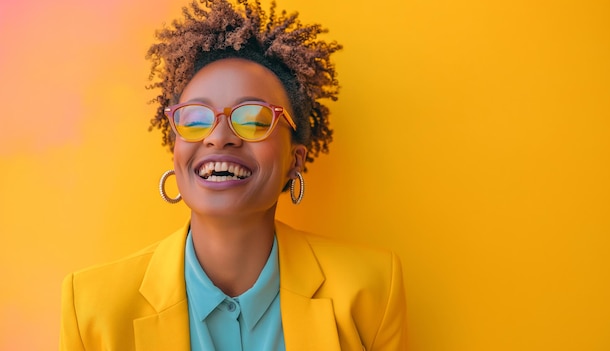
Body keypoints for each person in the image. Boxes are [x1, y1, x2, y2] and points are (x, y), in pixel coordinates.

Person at [59, 0, 408, 350]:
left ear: (294, 159)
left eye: (253, 119)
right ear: (175, 149)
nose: (219, 135)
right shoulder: (91, 308)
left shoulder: (370, 289)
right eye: (195, 119)